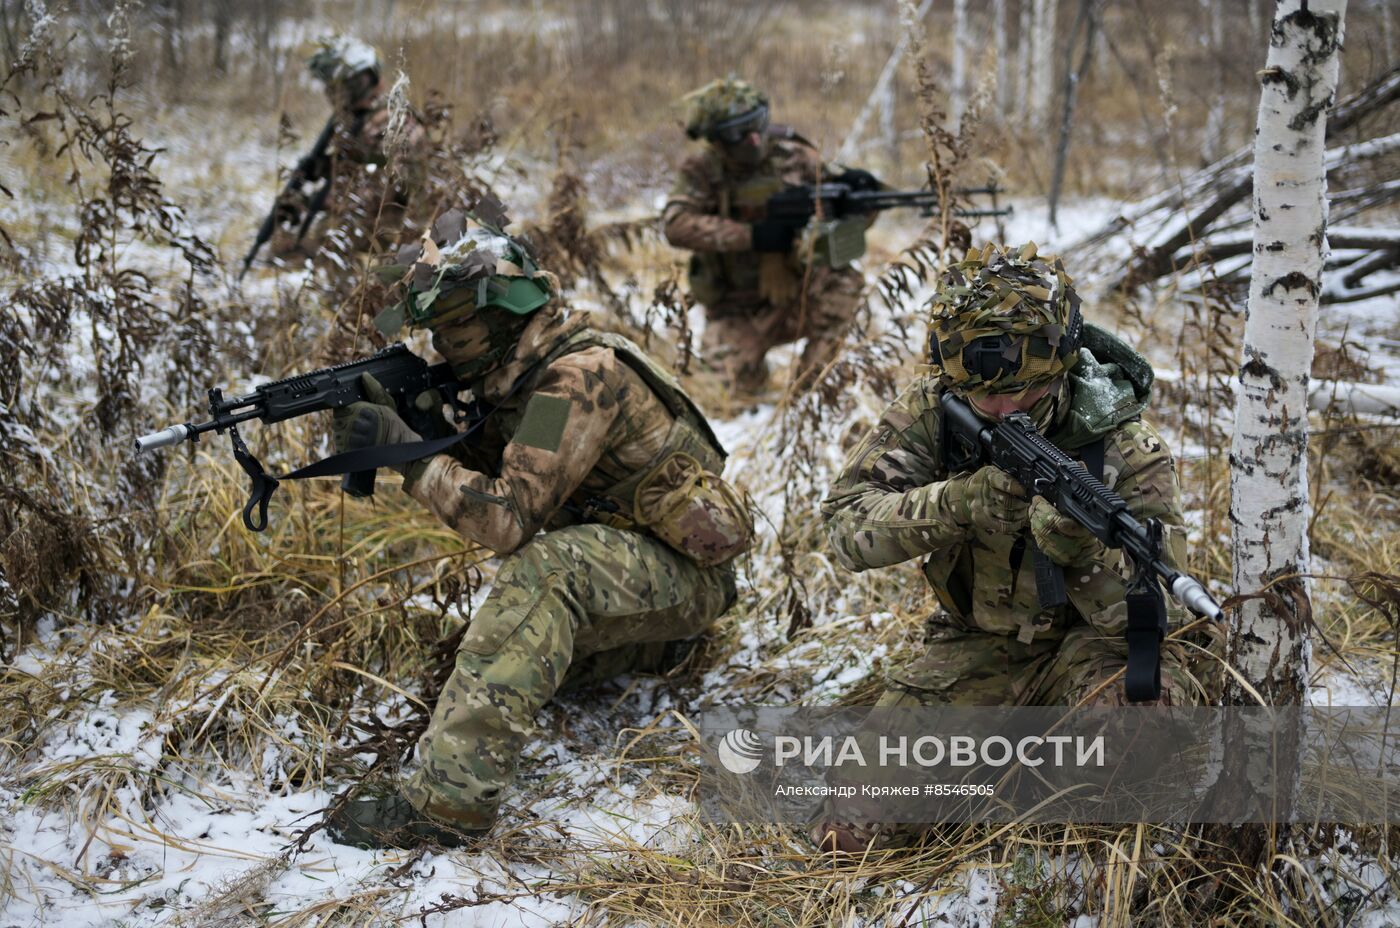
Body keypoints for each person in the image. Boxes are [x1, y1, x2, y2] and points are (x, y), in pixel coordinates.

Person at [323, 206, 752, 848]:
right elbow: (513, 471)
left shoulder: (570, 384)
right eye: (433, 332)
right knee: (472, 664)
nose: (441, 347)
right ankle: (650, 649)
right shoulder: (519, 371)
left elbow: (506, 519)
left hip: (690, 576)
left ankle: (446, 805)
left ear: (506, 313)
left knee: (546, 574)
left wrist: (410, 454)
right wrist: (424, 430)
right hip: (645, 560)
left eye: (455, 327)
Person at [816, 242, 1221, 851]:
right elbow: (844, 530)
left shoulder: (1128, 450)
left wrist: (1081, 555)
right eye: (985, 398)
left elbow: (1157, 618)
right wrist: (957, 502)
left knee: (1125, 753)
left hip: (1095, 650)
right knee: (849, 833)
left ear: (1060, 365)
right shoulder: (935, 410)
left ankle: (1034, 780)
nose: (1004, 410)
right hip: (979, 642)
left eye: (1024, 392)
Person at [662, 78, 878, 394]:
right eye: (738, 132)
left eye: (758, 123)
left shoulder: (796, 156)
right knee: (726, 392)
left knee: (845, 288)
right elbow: (675, 224)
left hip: (801, 293)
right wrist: (753, 236)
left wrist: (861, 196)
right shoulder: (703, 170)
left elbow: (849, 216)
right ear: (716, 139)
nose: (753, 138)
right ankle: (755, 376)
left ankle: (812, 392)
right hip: (737, 307)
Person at [267, 35, 429, 265]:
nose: (337, 94)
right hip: (365, 217)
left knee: (308, 247)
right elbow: (357, 165)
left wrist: (325, 200)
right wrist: (322, 169)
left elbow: (393, 189)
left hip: (399, 225)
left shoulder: (397, 121)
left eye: (348, 86)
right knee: (286, 240)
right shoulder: (359, 121)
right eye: (333, 88)